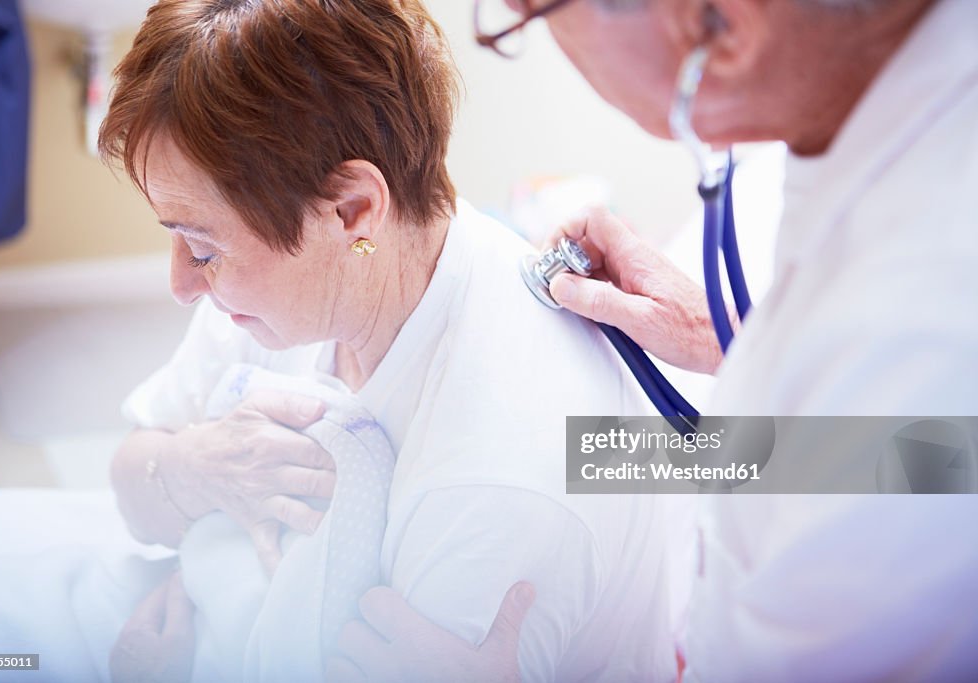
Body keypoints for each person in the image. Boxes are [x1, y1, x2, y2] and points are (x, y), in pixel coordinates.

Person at [331, 0, 978, 680]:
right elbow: (921, 457)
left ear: (720, 32)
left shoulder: (917, 333)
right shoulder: (858, 103)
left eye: (528, 14)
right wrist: (730, 340)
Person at [93, 0, 686, 681]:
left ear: (353, 209)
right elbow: (130, 479)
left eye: (199, 245)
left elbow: (787, 457)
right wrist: (193, 466)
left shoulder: (491, 483)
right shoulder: (305, 276)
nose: (182, 281)